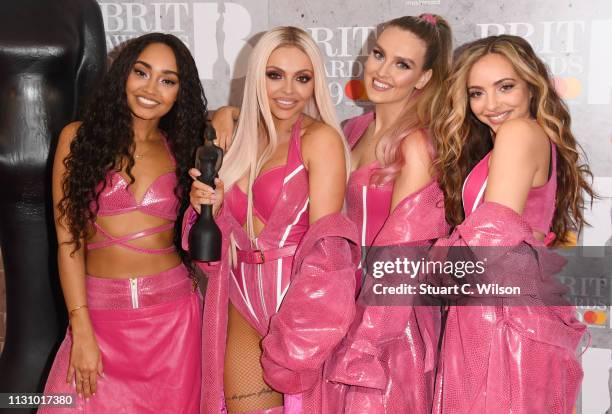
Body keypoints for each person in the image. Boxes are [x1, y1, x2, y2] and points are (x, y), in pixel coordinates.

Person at [212, 15, 452, 413]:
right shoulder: (353, 130)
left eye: (402, 64)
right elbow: (282, 125)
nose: (381, 70)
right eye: (379, 54)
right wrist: (227, 113)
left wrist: (361, 339)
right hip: (333, 305)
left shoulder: (416, 145)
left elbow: (401, 259)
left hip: (383, 323)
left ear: (424, 78)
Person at [184, 26, 359, 413]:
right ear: (257, 76)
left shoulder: (321, 139)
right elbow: (215, 238)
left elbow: (327, 247)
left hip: (298, 303)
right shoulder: (234, 138)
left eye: (302, 78)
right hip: (240, 298)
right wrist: (203, 205)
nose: (288, 90)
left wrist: (303, 332)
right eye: (275, 74)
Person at [39, 33, 206, 413]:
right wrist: (80, 327)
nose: (152, 89)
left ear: (181, 92)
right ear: (122, 77)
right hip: (98, 321)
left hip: (173, 324)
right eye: (141, 73)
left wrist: (228, 115)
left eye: (168, 80)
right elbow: (68, 244)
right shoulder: (77, 140)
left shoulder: (185, 149)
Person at [431, 34, 595, 413]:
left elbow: (491, 237)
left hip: (501, 314)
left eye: (505, 87)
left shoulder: (518, 133)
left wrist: (430, 261)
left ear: (531, 85)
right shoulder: (527, 137)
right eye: (477, 93)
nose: (491, 104)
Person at [0, 0, 105, 392]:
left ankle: (57, 399)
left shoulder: (79, 9)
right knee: (26, 329)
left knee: (58, 320)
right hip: (7, 182)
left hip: (64, 181)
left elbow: (92, 98)